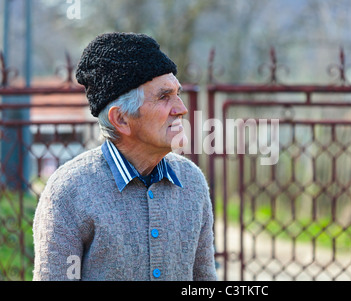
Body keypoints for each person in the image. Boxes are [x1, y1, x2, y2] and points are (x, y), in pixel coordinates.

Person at [32, 32, 217, 281]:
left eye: (178, 93)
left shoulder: (192, 182)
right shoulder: (69, 191)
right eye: (164, 97)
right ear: (121, 119)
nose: (181, 109)